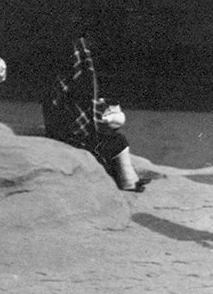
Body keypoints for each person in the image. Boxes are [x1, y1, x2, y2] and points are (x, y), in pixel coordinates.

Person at [43, 17, 151, 192]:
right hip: (70, 136)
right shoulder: (75, 76)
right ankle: (128, 182)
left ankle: (131, 179)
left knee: (113, 140)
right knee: (116, 141)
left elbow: (70, 104)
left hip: (66, 130)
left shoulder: (66, 80)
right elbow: (73, 107)